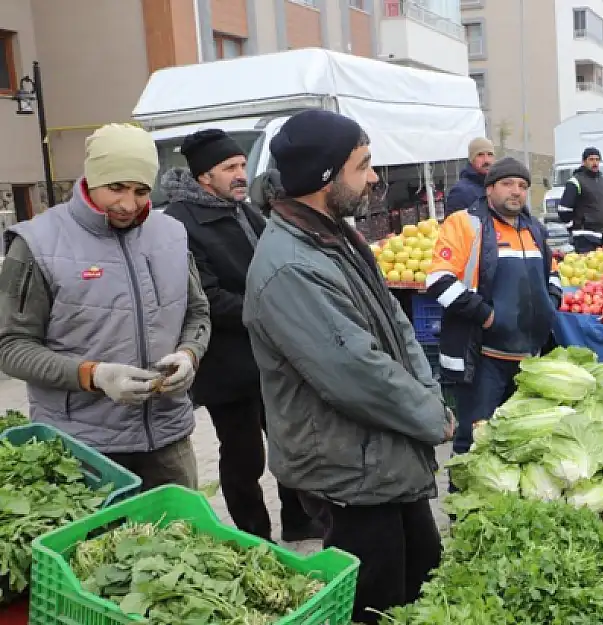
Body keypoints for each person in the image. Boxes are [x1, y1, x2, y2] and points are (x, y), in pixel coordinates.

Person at [242, 109, 454, 623]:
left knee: (422, 576)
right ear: (324, 179)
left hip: (382, 452)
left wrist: (430, 397)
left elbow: (398, 331)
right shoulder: (290, 266)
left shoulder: (336, 234)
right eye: (363, 166)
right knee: (376, 603)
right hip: (346, 468)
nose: (375, 178)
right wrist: (429, 418)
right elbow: (356, 372)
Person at [0, 124, 211, 489]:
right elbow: (11, 346)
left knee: (184, 539)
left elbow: (197, 313)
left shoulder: (172, 235)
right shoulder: (36, 243)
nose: (128, 204)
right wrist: (93, 375)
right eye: (116, 187)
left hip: (167, 441)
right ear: (91, 177)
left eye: (141, 191)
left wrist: (189, 354)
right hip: (82, 448)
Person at [162, 129, 322, 543]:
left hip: (268, 355)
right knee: (243, 455)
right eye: (229, 168)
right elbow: (208, 298)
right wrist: (272, 312)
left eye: (241, 165)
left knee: (289, 443)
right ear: (203, 177)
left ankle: (300, 519)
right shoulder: (181, 224)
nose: (240, 174)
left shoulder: (244, 211)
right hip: (226, 365)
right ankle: (255, 535)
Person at [426, 157, 561, 459]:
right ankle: (464, 504)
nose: (516, 191)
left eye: (522, 186)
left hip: (528, 360)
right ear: (489, 189)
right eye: (507, 184)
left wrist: (550, 304)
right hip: (483, 359)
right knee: (475, 443)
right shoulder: (465, 223)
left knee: (518, 445)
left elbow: (553, 273)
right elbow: (438, 280)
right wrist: (486, 316)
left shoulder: (534, 229)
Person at [558, 147, 603, 254]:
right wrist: (573, 227)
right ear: (584, 161)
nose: (595, 162)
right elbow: (563, 210)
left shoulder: (602, 180)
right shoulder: (575, 181)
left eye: (597, 159)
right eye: (591, 159)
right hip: (585, 238)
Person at [444, 137, 496, 217]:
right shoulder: (460, 191)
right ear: (471, 159)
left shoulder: (498, 185)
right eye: (480, 155)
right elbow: (452, 226)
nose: (486, 160)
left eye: (490, 154)